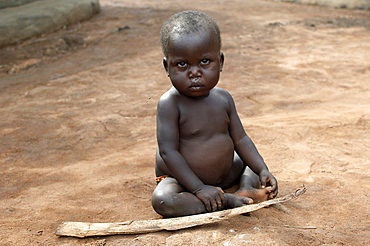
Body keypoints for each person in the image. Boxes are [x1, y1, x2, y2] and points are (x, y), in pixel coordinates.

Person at [152, 10, 278, 218]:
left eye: (204, 62)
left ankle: (245, 190)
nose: (194, 73)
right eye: (182, 64)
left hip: (227, 173)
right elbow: (168, 153)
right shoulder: (169, 104)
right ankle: (227, 201)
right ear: (167, 66)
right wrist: (199, 188)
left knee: (251, 163)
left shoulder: (223, 99)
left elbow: (241, 139)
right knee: (163, 200)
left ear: (220, 61)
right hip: (183, 182)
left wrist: (262, 169)